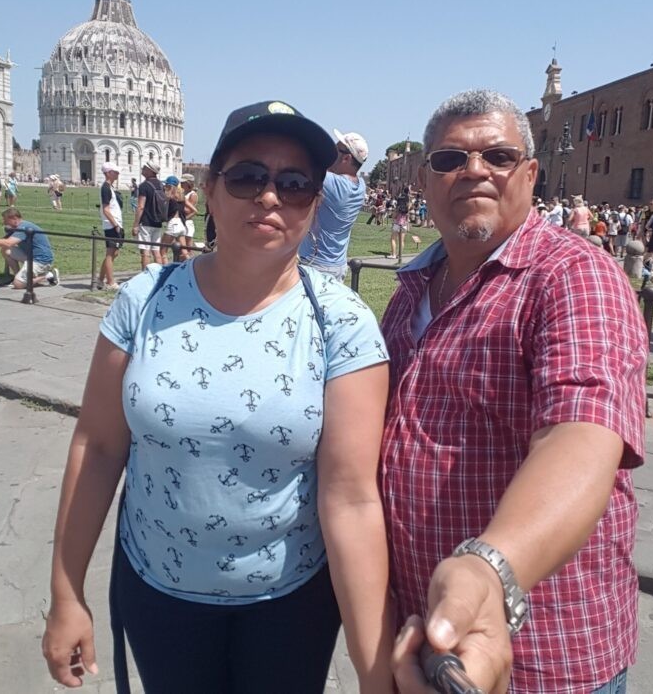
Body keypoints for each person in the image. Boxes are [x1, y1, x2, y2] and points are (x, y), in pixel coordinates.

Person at [41, 99, 393, 693]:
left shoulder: (342, 321)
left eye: (295, 184)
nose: (270, 197)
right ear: (211, 189)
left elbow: (351, 496)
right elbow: (98, 447)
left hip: (290, 601)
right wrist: (66, 592)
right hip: (158, 589)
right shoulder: (145, 299)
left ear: (315, 201)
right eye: (249, 176)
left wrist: (374, 669)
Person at [383, 90, 645, 694]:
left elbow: (582, 434)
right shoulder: (410, 290)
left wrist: (489, 568)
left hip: (546, 649)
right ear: (424, 180)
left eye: (497, 155)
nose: (473, 170)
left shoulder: (573, 275)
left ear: (529, 174)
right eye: (449, 159)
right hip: (428, 637)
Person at [298, 129, 368, 279]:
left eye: (336, 150)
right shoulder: (361, 186)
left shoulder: (332, 183)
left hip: (316, 265)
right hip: (338, 265)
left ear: (347, 158)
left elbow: (303, 166)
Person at [0, 207, 59, 288]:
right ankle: (18, 276)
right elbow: (3, 242)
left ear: (14, 218)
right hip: (30, 256)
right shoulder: (16, 228)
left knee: (18, 285)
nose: (4, 222)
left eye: (5, 220)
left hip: (41, 260)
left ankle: (47, 275)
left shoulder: (23, 228)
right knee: (5, 250)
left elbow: (8, 243)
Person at [99, 163, 124, 290]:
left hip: (115, 223)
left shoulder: (109, 187)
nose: (118, 174)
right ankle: (110, 282)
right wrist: (115, 224)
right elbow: (106, 209)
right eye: (115, 172)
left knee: (114, 253)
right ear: (108, 173)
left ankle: (100, 279)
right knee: (110, 253)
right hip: (112, 225)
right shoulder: (105, 188)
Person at [160, 175, 188, 261]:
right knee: (184, 251)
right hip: (181, 223)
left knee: (162, 251)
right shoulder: (181, 196)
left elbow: (165, 201)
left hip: (173, 223)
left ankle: (165, 272)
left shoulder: (170, 196)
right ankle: (189, 267)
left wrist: (167, 190)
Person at [390, 188, 410, 259]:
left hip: (397, 224)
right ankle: (399, 255)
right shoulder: (407, 209)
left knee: (393, 239)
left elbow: (393, 217)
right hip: (404, 224)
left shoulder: (398, 208)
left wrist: (393, 215)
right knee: (401, 241)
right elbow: (408, 218)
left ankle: (393, 254)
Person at [181, 175, 199, 252]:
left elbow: (189, 210)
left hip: (187, 222)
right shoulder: (183, 193)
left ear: (188, 183)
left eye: (183, 182)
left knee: (188, 246)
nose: (181, 184)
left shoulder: (192, 195)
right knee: (181, 246)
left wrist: (179, 204)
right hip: (181, 221)